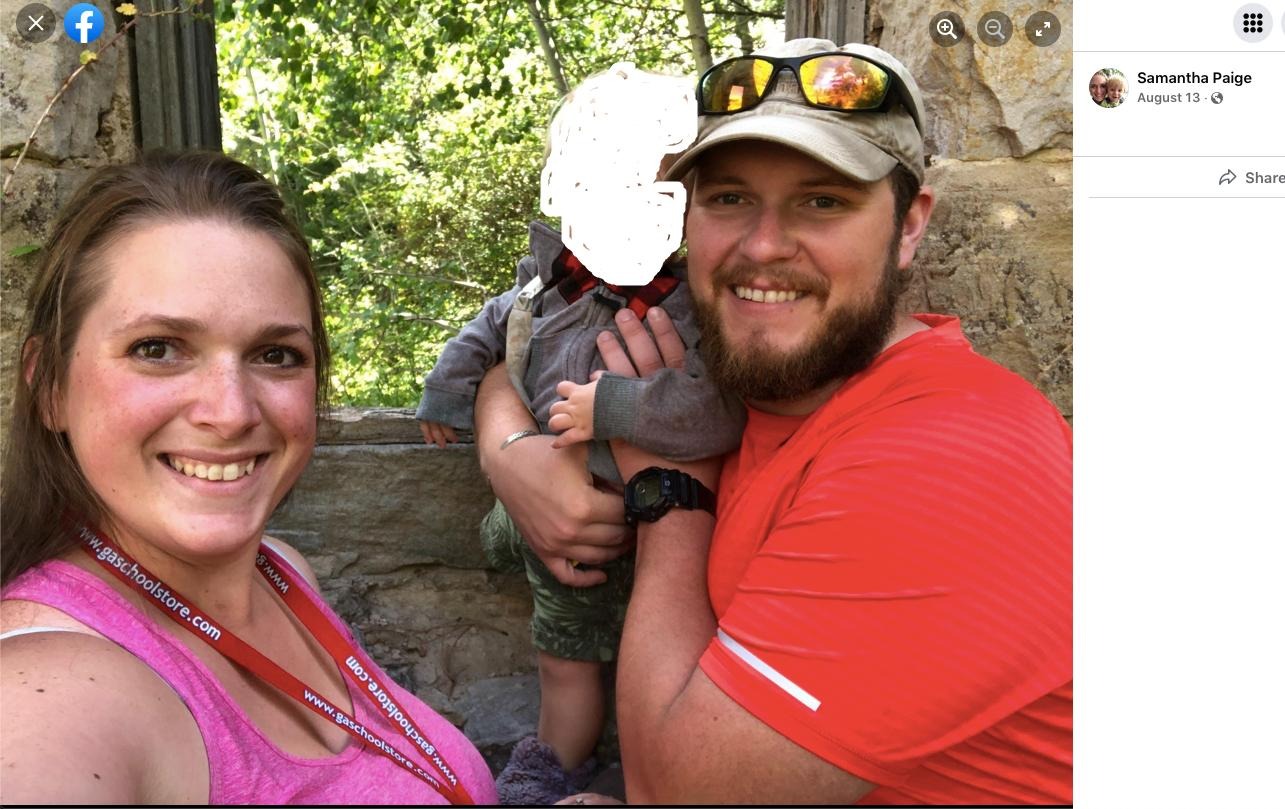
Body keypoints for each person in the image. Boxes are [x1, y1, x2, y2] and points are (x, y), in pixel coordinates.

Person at [475, 38, 1072, 804]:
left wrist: (666, 483)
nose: (761, 247)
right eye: (728, 199)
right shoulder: (767, 388)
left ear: (910, 224)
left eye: (822, 201)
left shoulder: (952, 457)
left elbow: (680, 792)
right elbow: (510, 352)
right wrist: (511, 451)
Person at [0, 151, 498, 806]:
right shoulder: (50, 693)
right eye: (158, 347)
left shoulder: (283, 575)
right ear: (50, 386)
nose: (231, 412)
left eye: (275, 354)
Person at [416, 66, 744, 804]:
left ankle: (645, 770)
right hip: (552, 525)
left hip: (660, 526)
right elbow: (486, 334)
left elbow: (716, 414)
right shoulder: (544, 285)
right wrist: (447, 394)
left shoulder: (695, 308)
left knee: (657, 652)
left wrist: (617, 410)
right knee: (562, 656)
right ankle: (550, 762)